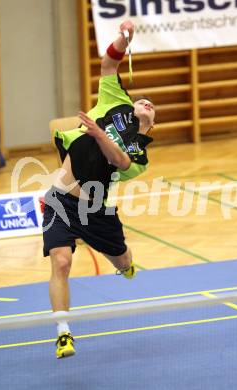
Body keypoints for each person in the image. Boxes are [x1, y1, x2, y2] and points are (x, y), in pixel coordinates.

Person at [42, 20, 155, 359]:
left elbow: (120, 162)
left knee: (122, 262)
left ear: (153, 123)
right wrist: (124, 36)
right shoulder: (114, 99)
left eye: (152, 106)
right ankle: (63, 333)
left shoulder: (141, 155)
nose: (146, 102)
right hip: (59, 200)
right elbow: (109, 63)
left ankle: (125, 265)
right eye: (143, 99)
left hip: (94, 211)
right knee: (60, 262)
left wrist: (98, 134)